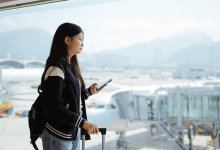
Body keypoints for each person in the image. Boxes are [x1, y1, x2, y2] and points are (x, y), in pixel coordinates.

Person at [40, 22, 100, 150]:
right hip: (58, 134)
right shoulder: (56, 69)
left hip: (72, 132)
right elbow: (53, 108)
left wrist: (88, 92)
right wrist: (83, 122)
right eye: (80, 39)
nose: (83, 44)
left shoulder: (69, 67)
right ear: (67, 40)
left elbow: (71, 99)